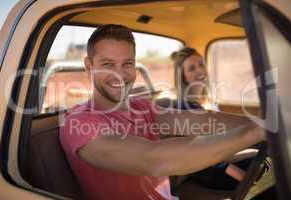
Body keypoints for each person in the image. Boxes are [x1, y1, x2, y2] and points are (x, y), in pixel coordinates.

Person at [60, 24, 265, 200]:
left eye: (127, 64)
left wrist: (262, 122)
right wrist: (254, 132)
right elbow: (154, 159)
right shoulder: (79, 123)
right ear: (88, 66)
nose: (119, 74)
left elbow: (202, 120)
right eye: (108, 64)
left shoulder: (141, 106)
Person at [171, 47, 256, 191]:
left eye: (201, 64)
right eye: (192, 68)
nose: (200, 71)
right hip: (212, 170)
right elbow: (199, 153)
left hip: (224, 154)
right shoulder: (184, 108)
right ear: (183, 76)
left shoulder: (207, 101)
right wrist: (239, 175)